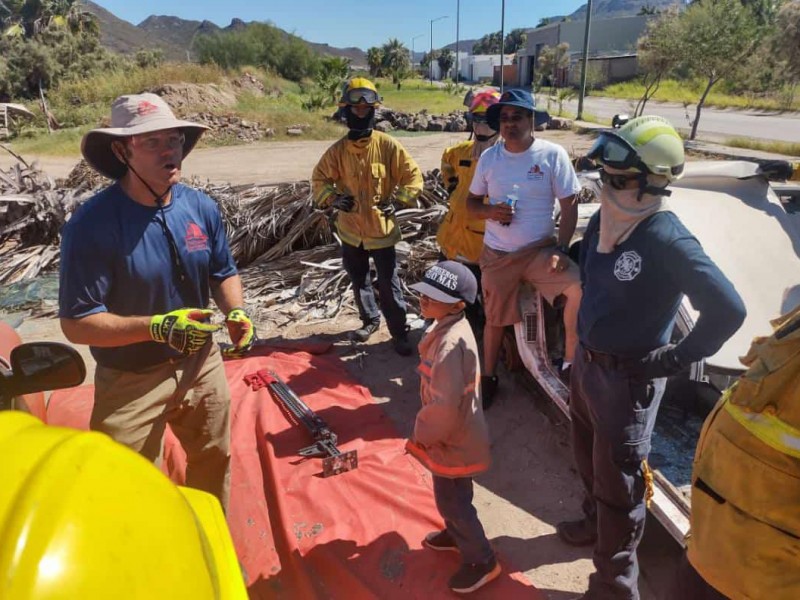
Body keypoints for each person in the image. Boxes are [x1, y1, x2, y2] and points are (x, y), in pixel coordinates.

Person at [557, 115, 746, 599]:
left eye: (614, 175)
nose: (604, 182)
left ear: (646, 181)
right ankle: (592, 522)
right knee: (587, 457)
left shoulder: (666, 238)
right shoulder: (607, 217)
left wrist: (669, 360)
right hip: (588, 368)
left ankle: (615, 585)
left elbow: (728, 309)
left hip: (627, 382)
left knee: (619, 487)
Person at [58, 93, 256, 511]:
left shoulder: (200, 207)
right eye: (152, 142)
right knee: (127, 487)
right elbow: (77, 323)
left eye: (175, 140)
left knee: (213, 458)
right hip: (131, 379)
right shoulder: (93, 225)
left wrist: (234, 310)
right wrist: (157, 326)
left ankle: (209, 543)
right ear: (121, 150)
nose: (170, 151)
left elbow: (223, 272)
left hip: (202, 364)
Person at [466, 88, 583, 407]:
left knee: (576, 288)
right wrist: (491, 211)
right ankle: (488, 376)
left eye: (517, 116)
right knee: (493, 320)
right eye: (504, 118)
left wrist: (562, 247)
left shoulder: (552, 155)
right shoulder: (490, 157)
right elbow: (471, 203)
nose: (509, 123)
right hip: (499, 254)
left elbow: (570, 206)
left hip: (540, 251)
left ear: (532, 120)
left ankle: (570, 363)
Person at [405, 261, 500, 594]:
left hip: (452, 438)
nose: (424, 301)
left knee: (452, 501)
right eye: (424, 294)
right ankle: (456, 533)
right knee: (456, 494)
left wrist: (421, 434)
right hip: (456, 434)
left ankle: (481, 559)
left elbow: (444, 407)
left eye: (434, 297)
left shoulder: (449, 345)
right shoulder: (447, 326)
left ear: (459, 306)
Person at [312, 77, 423, 356]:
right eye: (355, 108)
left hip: (381, 232)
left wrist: (399, 200)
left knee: (389, 284)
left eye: (365, 109)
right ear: (346, 111)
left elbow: (413, 177)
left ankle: (398, 333)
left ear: (374, 111)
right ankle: (369, 321)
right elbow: (318, 180)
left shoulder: (388, 146)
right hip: (351, 232)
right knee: (358, 279)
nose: (360, 112)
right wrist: (335, 199)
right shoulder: (337, 151)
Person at [436, 90, 501, 335]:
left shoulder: (506, 158)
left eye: (486, 121)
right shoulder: (461, 152)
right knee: (443, 290)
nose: (481, 127)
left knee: (472, 301)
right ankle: (444, 331)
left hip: (479, 246)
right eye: (476, 120)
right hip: (451, 238)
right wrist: (452, 186)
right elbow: (446, 161)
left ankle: (471, 343)